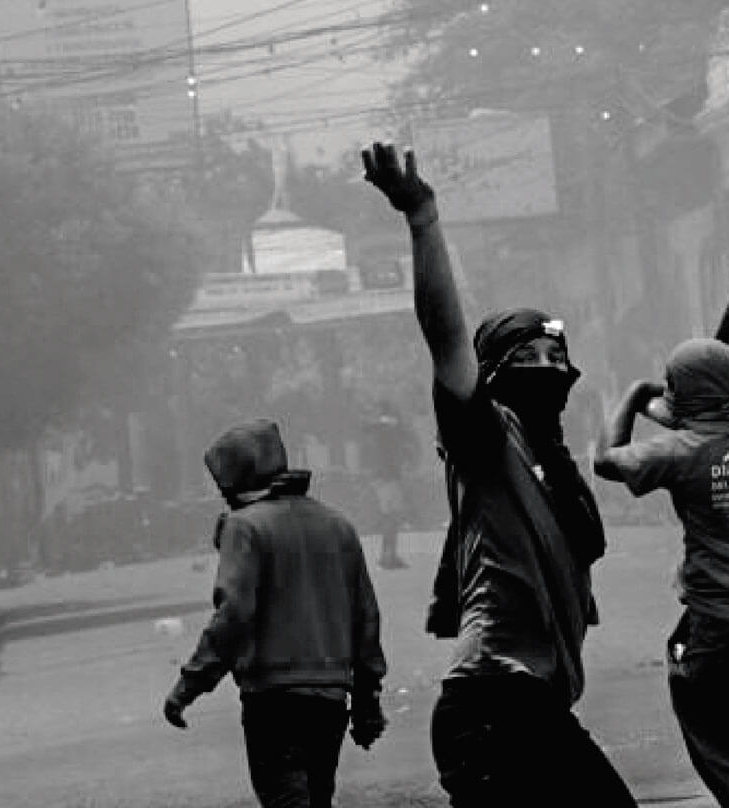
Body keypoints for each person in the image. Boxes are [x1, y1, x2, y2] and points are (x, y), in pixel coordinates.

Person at [361, 141, 636, 807]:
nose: (545, 367)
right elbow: (445, 337)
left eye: (555, 355)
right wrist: (423, 220)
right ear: (490, 375)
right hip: (493, 706)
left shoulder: (558, 471)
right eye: (526, 355)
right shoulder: (487, 441)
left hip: (528, 705)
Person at [592, 266, 729, 808]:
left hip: (720, 627)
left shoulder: (681, 453)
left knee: (703, 707)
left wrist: (634, 394)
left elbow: (605, 460)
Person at [162, 418, 388, 808]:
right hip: (330, 698)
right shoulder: (338, 525)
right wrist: (367, 701)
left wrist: (190, 684)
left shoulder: (244, 527)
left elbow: (234, 613)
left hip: (273, 699)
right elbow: (365, 618)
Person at [362, 400, 412, 569]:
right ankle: (388, 557)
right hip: (388, 477)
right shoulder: (388, 425)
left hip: (382, 476)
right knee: (393, 517)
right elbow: (394, 427)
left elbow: (368, 427)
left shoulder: (379, 427)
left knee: (390, 517)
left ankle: (388, 556)